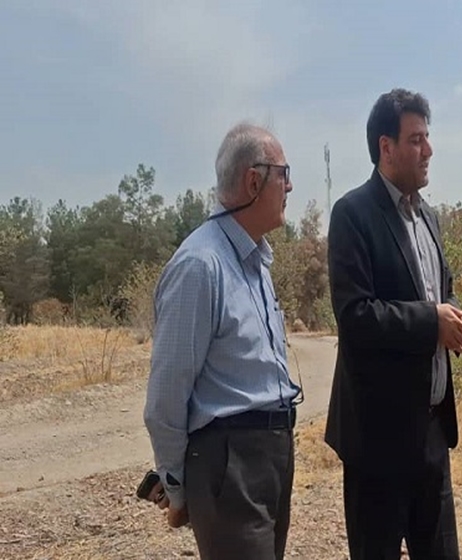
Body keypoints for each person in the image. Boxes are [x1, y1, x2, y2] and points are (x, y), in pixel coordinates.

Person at [325, 88, 462, 560]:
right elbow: (355, 316)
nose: (428, 150)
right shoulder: (352, 214)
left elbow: (440, 290)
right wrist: (432, 321)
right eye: (416, 140)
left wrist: (450, 313)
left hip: (431, 435)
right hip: (377, 444)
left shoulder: (429, 217)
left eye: (427, 138)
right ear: (385, 147)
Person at [143, 122, 300, 560]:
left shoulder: (254, 260)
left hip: (270, 455)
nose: (290, 186)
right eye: (284, 174)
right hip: (230, 462)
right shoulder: (200, 265)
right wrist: (176, 487)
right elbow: (165, 398)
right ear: (254, 181)